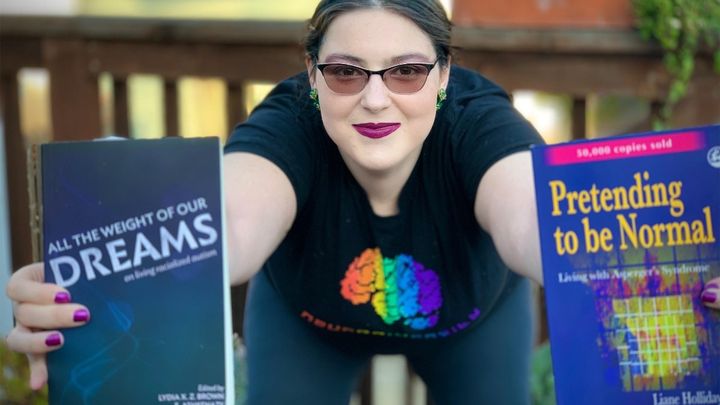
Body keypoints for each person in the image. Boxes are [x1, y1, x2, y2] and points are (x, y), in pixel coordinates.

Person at [5, 0, 720, 403]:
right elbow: (226, 224)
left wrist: (686, 266)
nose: (375, 98)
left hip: (472, 320)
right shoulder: (288, 123)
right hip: (308, 320)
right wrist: (101, 275)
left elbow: (537, 218)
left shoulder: (479, 121)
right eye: (346, 71)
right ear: (312, 75)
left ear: (445, 75)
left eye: (406, 71)